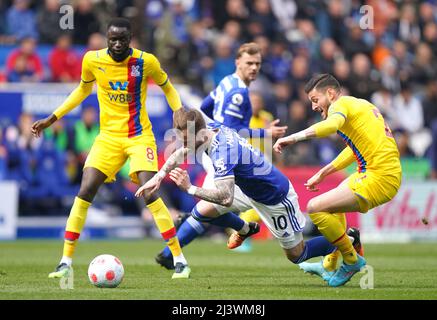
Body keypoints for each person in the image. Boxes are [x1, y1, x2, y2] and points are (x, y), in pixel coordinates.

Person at [31, 18, 190, 279]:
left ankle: (179, 259)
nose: (117, 44)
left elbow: (168, 87)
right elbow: (82, 90)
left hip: (139, 136)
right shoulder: (92, 60)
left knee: (150, 193)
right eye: (112, 39)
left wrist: (179, 111)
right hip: (108, 138)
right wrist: (53, 117)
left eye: (122, 40)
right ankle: (65, 262)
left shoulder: (145, 61)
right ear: (107, 38)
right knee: (85, 191)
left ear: (130, 40)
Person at [136, 109, 355, 279]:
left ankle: (348, 239)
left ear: (200, 134)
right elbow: (183, 150)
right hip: (247, 187)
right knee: (201, 211)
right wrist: (158, 176)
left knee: (297, 255)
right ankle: (246, 228)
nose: (185, 145)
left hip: (273, 196)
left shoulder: (222, 151)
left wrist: (190, 188)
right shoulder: (208, 128)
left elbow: (225, 197)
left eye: (187, 140)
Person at [155, 43, 287, 268]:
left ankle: (241, 228)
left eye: (257, 64)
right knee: (214, 204)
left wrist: (205, 127)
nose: (253, 68)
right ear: (238, 62)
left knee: (211, 207)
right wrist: (265, 132)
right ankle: (171, 253)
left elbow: (204, 108)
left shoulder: (227, 82)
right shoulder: (238, 94)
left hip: (214, 147)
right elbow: (231, 131)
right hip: (220, 151)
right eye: (249, 63)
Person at [274, 74, 402, 287]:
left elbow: (331, 126)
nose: (314, 106)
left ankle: (351, 259)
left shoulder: (340, 105)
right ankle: (330, 263)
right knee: (333, 207)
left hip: (379, 176)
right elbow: (354, 150)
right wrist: (324, 172)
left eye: (315, 100)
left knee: (315, 208)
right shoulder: (359, 105)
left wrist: (292, 137)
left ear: (330, 93)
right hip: (375, 172)